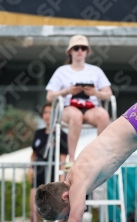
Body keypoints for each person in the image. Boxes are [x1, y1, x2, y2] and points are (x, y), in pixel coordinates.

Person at [46, 35, 112, 163]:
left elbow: (108, 93)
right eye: (76, 48)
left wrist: (95, 92)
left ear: (87, 51)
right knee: (76, 116)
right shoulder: (62, 71)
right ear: (70, 51)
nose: (80, 51)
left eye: (83, 48)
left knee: (104, 115)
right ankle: (71, 158)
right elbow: (49, 96)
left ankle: (99, 157)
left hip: (90, 108)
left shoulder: (95, 70)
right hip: (68, 108)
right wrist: (67, 91)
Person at [22, 102, 68, 222]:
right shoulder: (39, 133)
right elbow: (34, 155)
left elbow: (63, 159)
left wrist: (61, 182)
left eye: (51, 112)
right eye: (45, 112)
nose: (48, 115)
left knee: (57, 215)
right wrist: (30, 169)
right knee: (33, 214)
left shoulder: (61, 134)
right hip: (38, 180)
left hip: (53, 181)